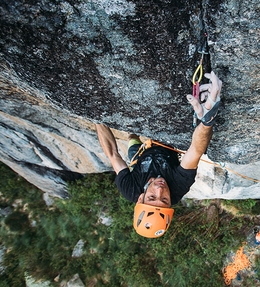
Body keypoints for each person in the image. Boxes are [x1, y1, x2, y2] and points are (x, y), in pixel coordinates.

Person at [95, 71, 222, 238]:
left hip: (140, 156)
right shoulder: (178, 187)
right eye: (164, 200)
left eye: (152, 196)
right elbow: (196, 150)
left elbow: (112, 153)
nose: (160, 190)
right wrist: (207, 122)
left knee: (133, 137)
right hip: (167, 148)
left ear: (140, 199)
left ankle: (134, 135)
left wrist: (96, 114)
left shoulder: (130, 189)